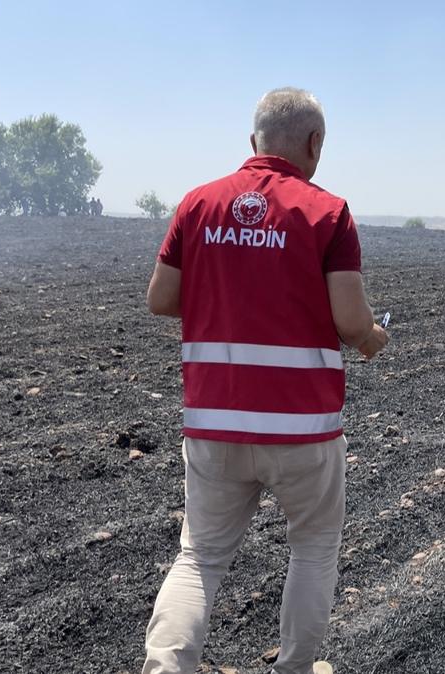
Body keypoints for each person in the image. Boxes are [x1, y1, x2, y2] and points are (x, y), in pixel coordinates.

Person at [143, 87, 389, 674]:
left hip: (214, 423)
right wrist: (373, 338)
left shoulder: (197, 205)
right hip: (302, 430)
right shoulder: (328, 213)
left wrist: (228, 294)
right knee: (312, 550)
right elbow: (351, 320)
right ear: (314, 144)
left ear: (253, 141)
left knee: (200, 558)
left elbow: (161, 299)